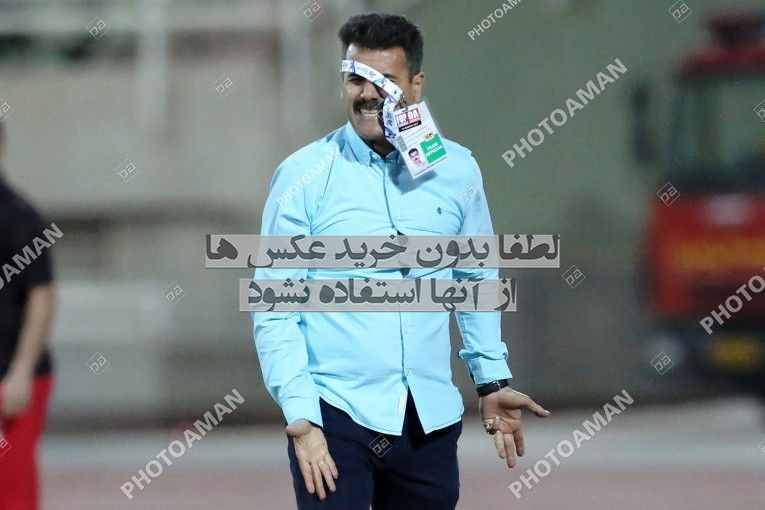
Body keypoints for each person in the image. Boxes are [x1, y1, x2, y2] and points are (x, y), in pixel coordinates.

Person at [252, 13, 549, 510]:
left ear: (415, 85)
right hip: (335, 417)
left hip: (428, 421)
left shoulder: (456, 170)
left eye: (384, 80)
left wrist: (492, 380)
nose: (368, 94)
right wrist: (302, 416)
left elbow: (475, 279)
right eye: (356, 79)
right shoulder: (304, 175)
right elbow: (275, 306)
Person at [0, 123, 57, 510]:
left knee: (12, 492)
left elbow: (42, 293)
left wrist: (20, 372)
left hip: (11, 379)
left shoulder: (17, 215)